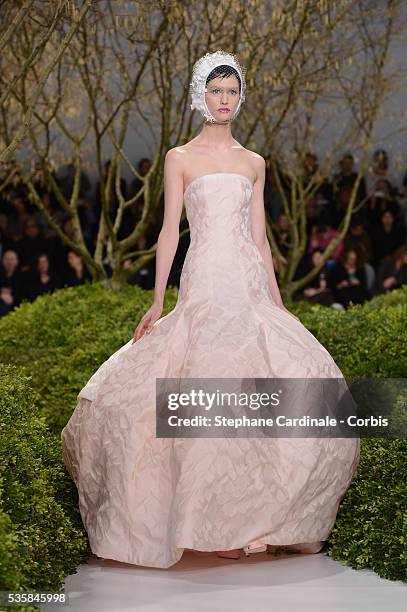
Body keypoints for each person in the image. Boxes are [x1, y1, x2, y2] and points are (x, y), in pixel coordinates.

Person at [61, 50, 360, 569]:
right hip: (204, 278)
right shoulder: (181, 158)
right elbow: (167, 234)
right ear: (202, 95)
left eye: (232, 92)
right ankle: (207, 523)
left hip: (245, 280)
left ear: (241, 98)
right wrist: (158, 300)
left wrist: (277, 299)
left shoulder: (254, 162)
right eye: (216, 91)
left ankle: (260, 519)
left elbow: (261, 240)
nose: (225, 101)